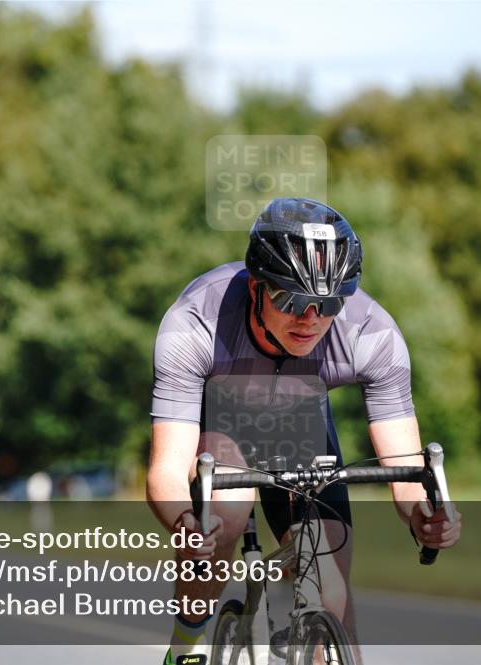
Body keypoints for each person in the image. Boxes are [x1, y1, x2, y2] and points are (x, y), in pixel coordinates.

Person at [147, 197, 462, 664]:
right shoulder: (195, 324)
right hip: (223, 416)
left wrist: (425, 515)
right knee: (224, 518)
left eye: (329, 302)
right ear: (257, 286)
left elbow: (404, 465)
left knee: (331, 593)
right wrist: (185, 524)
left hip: (301, 423)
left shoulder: (371, 334)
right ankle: (187, 645)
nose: (310, 318)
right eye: (291, 299)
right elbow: (166, 470)